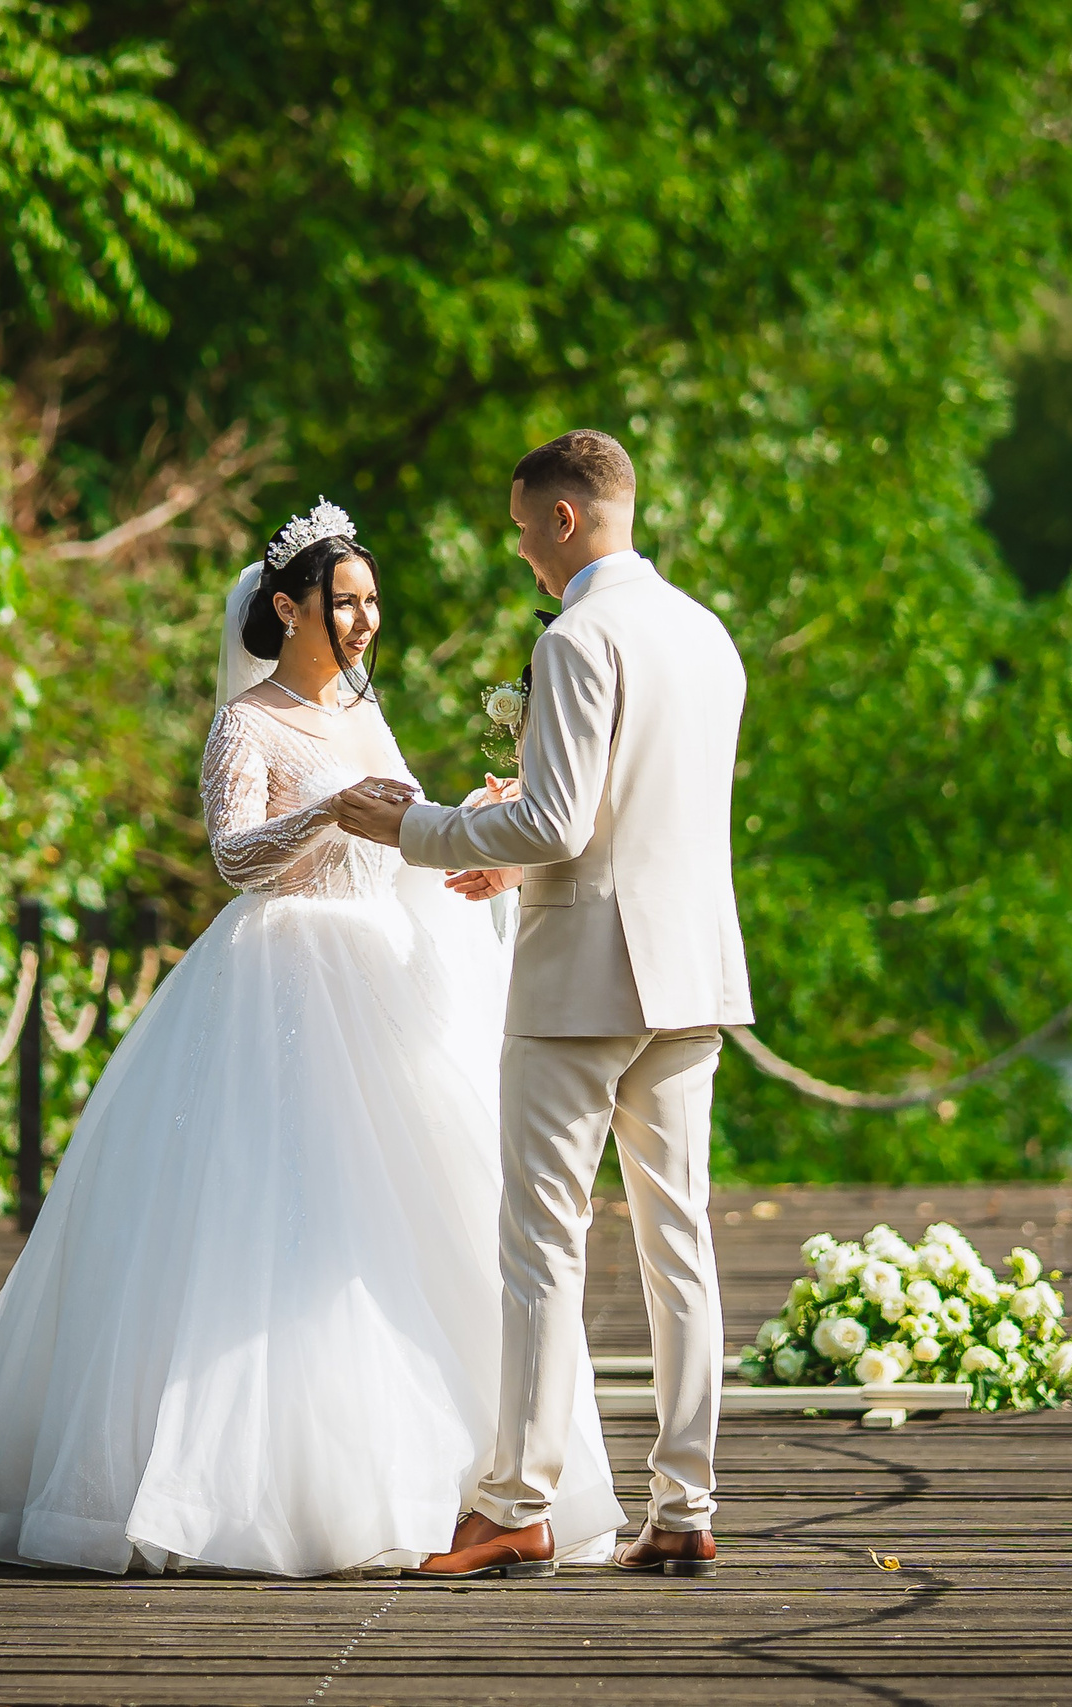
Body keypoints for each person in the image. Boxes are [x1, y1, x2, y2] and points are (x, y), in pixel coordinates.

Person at [0, 498, 625, 1577]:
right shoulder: (249, 723)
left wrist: (472, 845)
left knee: (408, 1222)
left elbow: (397, 833)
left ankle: (451, 1480)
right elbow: (234, 858)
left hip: (387, 973)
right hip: (280, 979)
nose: (365, 620)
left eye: (373, 600)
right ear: (287, 608)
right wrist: (330, 813)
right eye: (345, 601)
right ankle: (241, 1492)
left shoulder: (366, 717)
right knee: (271, 1220)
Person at [332, 430, 751, 1579]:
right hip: (690, 977)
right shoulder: (707, 636)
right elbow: (634, 811)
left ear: (563, 520)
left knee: (540, 1248)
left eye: (523, 531)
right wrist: (516, 829)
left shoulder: (579, 636)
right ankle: (685, 1505)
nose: (521, 554)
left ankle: (516, 1501)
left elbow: (560, 827)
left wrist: (411, 829)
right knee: (681, 1248)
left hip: (581, 982)